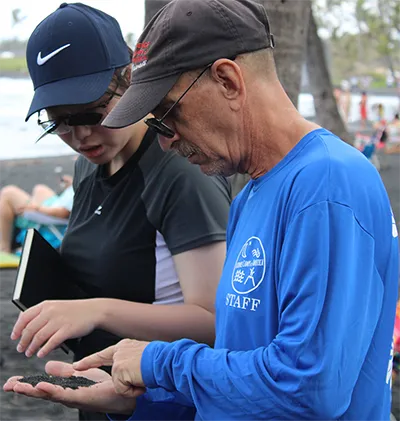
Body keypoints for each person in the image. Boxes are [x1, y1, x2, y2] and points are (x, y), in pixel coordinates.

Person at [4, 0, 398, 421]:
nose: (166, 141)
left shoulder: (327, 185)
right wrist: (139, 397)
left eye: (168, 114)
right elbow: (237, 365)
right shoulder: (251, 195)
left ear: (228, 80)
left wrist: (159, 362)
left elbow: (311, 387)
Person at [4, 3, 230, 421]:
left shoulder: (181, 171)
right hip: (100, 393)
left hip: (166, 402)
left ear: (130, 81)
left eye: (92, 113)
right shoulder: (87, 166)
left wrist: (96, 310)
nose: (80, 135)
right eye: (58, 121)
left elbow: (219, 322)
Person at [0, 178, 73, 253]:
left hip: (55, 220)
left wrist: (38, 209)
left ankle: (4, 249)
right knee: (40, 189)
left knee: (8, 193)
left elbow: (64, 213)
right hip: (59, 209)